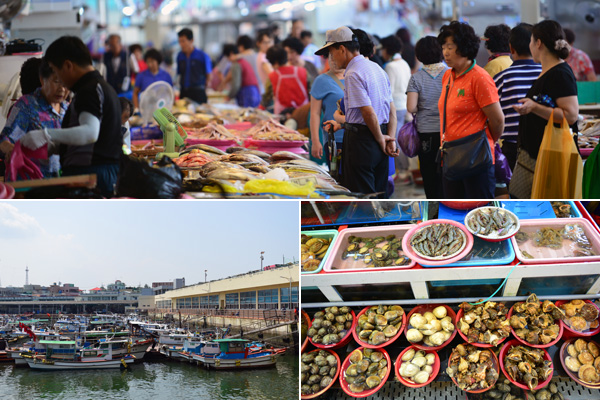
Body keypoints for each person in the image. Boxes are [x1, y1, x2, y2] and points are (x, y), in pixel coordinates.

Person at [20, 36, 123, 197]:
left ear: (68, 66)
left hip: (91, 177)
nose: (59, 80)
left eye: (56, 71)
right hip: (95, 174)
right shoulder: (98, 87)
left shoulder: (90, 90)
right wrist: (54, 147)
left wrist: (46, 134)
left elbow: (90, 133)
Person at [317, 26, 399, 198]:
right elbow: (391, 110)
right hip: (380, 138)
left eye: (332, 52)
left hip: (362, 143)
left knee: (363, 198)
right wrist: (389, 138)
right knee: (380, 195)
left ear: (342, 49)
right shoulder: (377, 68)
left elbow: (368, 113)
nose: (331, 58)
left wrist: (379, 139)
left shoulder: (353, 73)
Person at [509, 20, 579, 199]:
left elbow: (571, 115)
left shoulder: (560, 73)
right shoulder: (547, 72)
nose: (530, 46)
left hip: (549, 157)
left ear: (538, 43)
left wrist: (534, 107)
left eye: (531, 41)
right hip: (536, 155)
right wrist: (531, 106)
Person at [437, 21, 505, 199]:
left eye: (450, 46)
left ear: (465, 47)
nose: (445, 52)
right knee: (454, 210)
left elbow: (498, 121)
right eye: (444, 46)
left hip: (476, 161)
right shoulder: (448, 76)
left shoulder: (480, 77)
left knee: (479, 212)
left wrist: (484, 141)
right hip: (451, 157)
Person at [0, 58, 69, 178]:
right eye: (57, 81)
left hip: (60, 182)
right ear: (43, 80)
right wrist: (11, 149)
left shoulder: (68, 109)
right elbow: (4, 139)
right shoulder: (26, 106)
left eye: (65, 83)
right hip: (31, 183)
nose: (62, 89)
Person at [494, 23, 541, 171]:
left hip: (512, 147)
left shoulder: (501, 78)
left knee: (516, 190)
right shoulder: (547, 73)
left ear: (511, 48)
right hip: (544, 144)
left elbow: (493, 115)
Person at [406, 36, 449, 199]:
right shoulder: (450, 74)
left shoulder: (416, 78)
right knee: (448, 174)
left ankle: (433, 207)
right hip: (449, 132)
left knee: (430, 174)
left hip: (426, 133)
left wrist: (423, 107)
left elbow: (411, 107)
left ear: (419, 55)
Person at [309, 47, 345, 165]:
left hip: (357, 138)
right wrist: (315, 141)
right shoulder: (321, 80)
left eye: (336, 56)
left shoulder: (355, 76)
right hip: (334, 140)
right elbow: (315, 113)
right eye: (330, 57)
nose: (333, 60)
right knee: (338, 179)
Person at [261, 45, 309, 115]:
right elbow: (312, 93)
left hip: (282, 117)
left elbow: (266, 98)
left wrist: (259, 110)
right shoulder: (303, 72)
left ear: (275, 62)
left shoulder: (272, 76)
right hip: (303, 114)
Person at [177, 28, 212, 104]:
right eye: (179, 41)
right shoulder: (180, 56)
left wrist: (205, 88)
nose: (181, 44)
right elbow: (179, 73)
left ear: (191, 40)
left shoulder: (202, 56)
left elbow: (209, 74)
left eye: (183, 41)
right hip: (184, 92)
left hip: (198, 92)